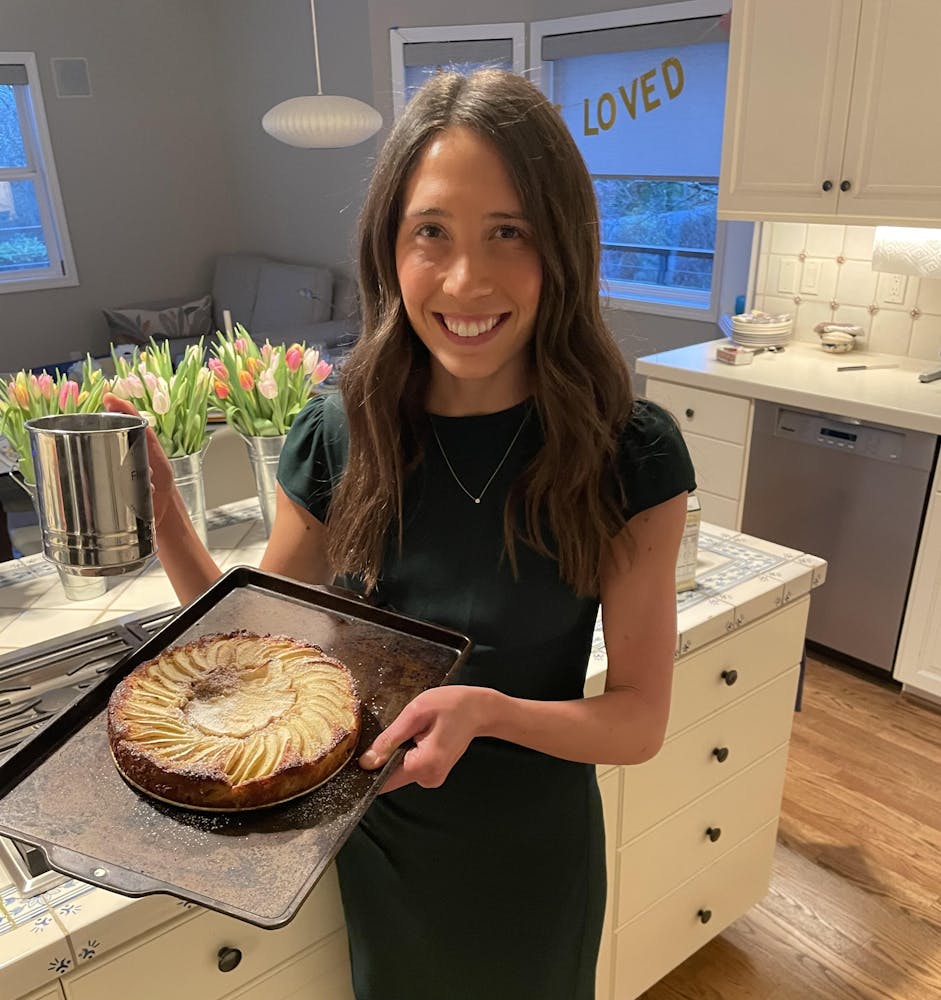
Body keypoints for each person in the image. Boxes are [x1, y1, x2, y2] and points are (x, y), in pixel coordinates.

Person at [106, 68, 695, 1000]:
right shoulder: (339, 434)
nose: (467, 279)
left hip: (531, 857)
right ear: (390, 247)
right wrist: (169, 522)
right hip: (376, 842)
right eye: (432, 233)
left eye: (510, 232)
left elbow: (636, 722)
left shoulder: (628, 454)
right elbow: (261, 656)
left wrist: (489, 710)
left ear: (564, 249)